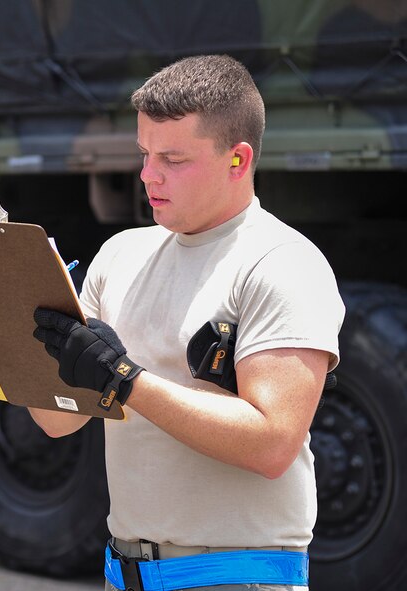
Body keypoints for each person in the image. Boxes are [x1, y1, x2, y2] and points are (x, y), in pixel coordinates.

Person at [30, 54, 344, 591]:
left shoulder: (283, 263)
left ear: (238, 161)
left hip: (235, 577)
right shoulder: (119, 255)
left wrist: (123, 380)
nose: (149, 175)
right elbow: (58, 420)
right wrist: (12, 310)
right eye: (145, 154)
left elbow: (272, 444)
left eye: (173, 158)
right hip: (123, 574)